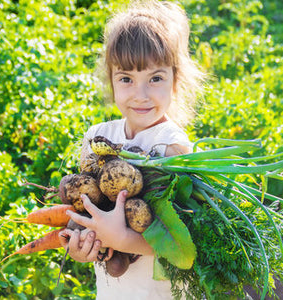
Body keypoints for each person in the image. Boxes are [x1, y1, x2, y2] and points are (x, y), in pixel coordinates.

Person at [59, 0, 204, 298]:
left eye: (155, 79)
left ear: (175, 80)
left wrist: (124, 240)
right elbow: (88, 211)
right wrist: (82, 244)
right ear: (111, 80)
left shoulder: (173, 147)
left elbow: (186, 245)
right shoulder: (97, 139)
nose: (140, 95)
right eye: (126, 79)